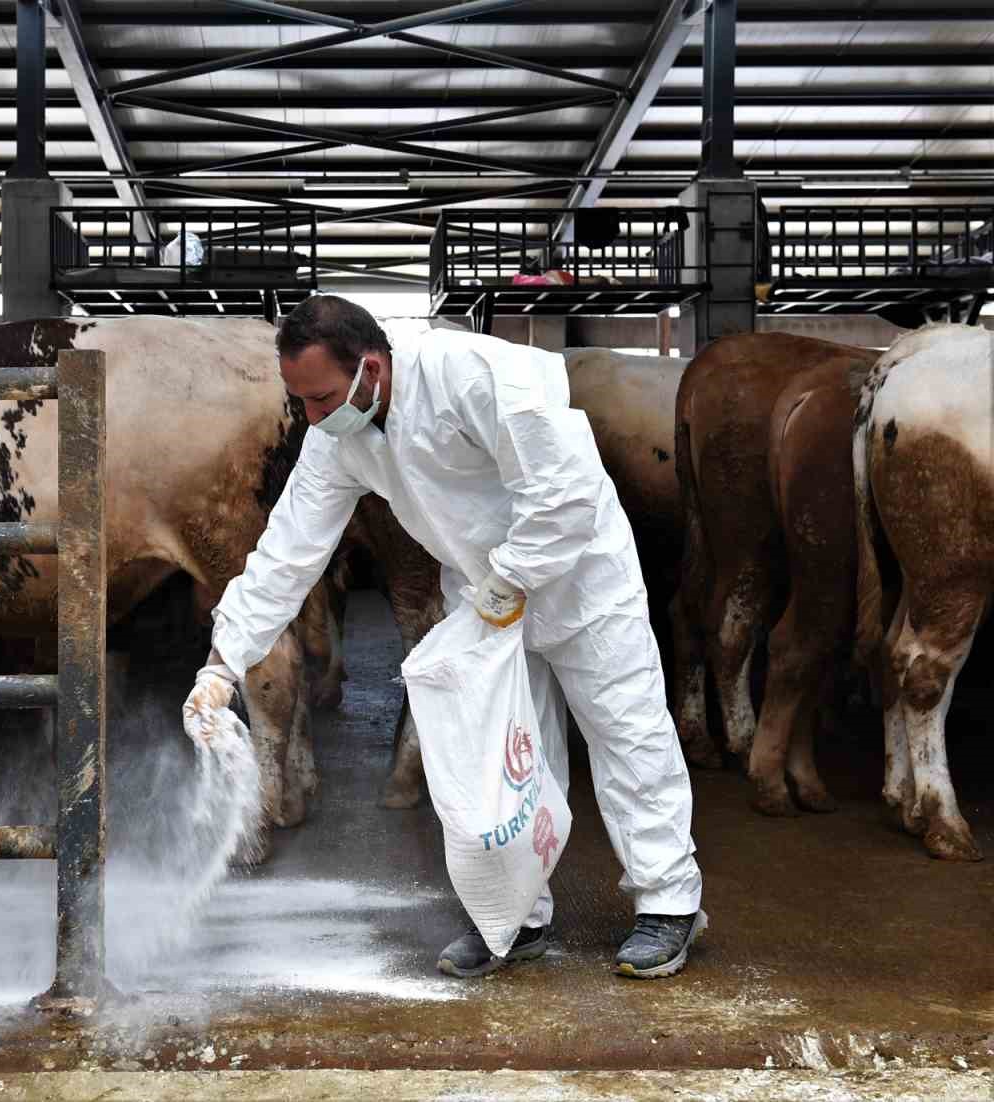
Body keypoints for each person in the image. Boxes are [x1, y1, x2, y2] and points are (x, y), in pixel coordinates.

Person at [183, 297, 706, 980]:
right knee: (501, 753)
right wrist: (223, 663)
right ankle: (513, 917)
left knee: (625, 731)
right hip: (484, 598)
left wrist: (510, 579)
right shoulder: (337, 437)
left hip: (580, 579)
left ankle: (668, 902)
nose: (312, 417)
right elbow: (287, 553)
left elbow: (567, 493)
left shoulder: (475, 374)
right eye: (302, 402)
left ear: (371, 367)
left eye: (322, 398)